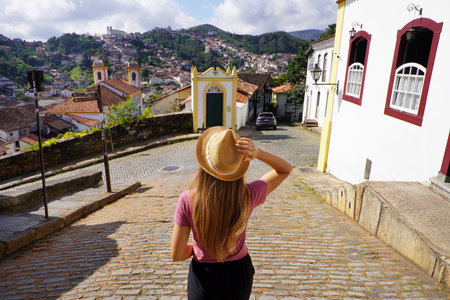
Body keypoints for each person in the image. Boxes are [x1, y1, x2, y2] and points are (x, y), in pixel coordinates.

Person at [171, 126, 293, 299]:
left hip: (203, 277)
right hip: (238, 274)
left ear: (205, 164)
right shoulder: (249, 194)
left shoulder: (187, 199)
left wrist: (198, 249)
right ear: (239, 164)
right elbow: (285, 169)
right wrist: (258, 152)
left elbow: (177, 254)